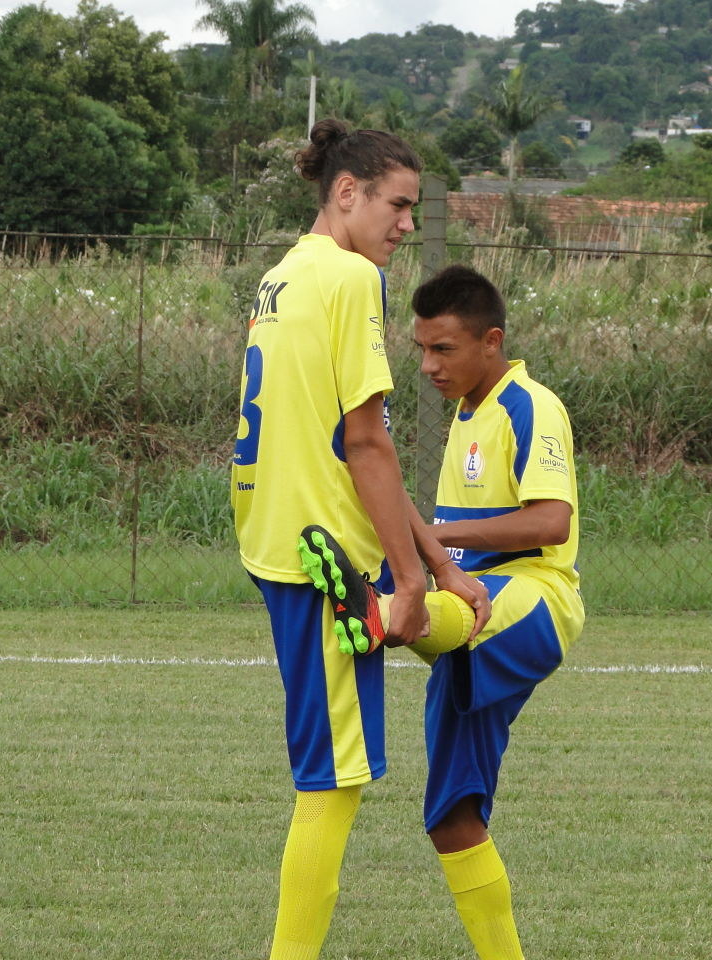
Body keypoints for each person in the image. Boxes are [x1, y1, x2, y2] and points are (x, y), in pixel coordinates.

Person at [230, 119, 489, 960]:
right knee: (331, 784)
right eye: (398, 205)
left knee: (452, 636)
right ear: (347, 192)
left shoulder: (281, 275)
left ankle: (479, 614)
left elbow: (347, 447)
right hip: (327, 562)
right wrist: (410, 582)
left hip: (282, 538)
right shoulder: (349, 277)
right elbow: (367, 441)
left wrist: (438, 565)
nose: (407, 225)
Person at [408, 265, 586, 960]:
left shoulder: (529, 405)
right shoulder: (466, 410)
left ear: (491, 341)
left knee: (429, 611)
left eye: (443, 349)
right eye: (422, 349)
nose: (429, 365)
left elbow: (550, 519)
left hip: (534, 599)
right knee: (452, 817)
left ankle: (381, 615)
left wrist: (434, 537)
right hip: (470, 613)